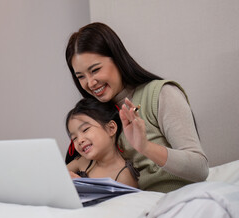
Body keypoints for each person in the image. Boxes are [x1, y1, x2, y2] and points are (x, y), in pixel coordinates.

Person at [65, 22, 209, 193]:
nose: (90, 83)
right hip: (131, 208)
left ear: (117, 59)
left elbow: (200, 169)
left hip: (175, 201)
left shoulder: (162, 94)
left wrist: (145, 147)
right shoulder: (96, 117)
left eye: (95, 70)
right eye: (81, 76)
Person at [65, 98, 139, 188]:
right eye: (74, 138)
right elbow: (55, 175)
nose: (80, 140)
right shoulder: (83, 162)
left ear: (111, 128)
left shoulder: (124, 176)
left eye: (85, 129)